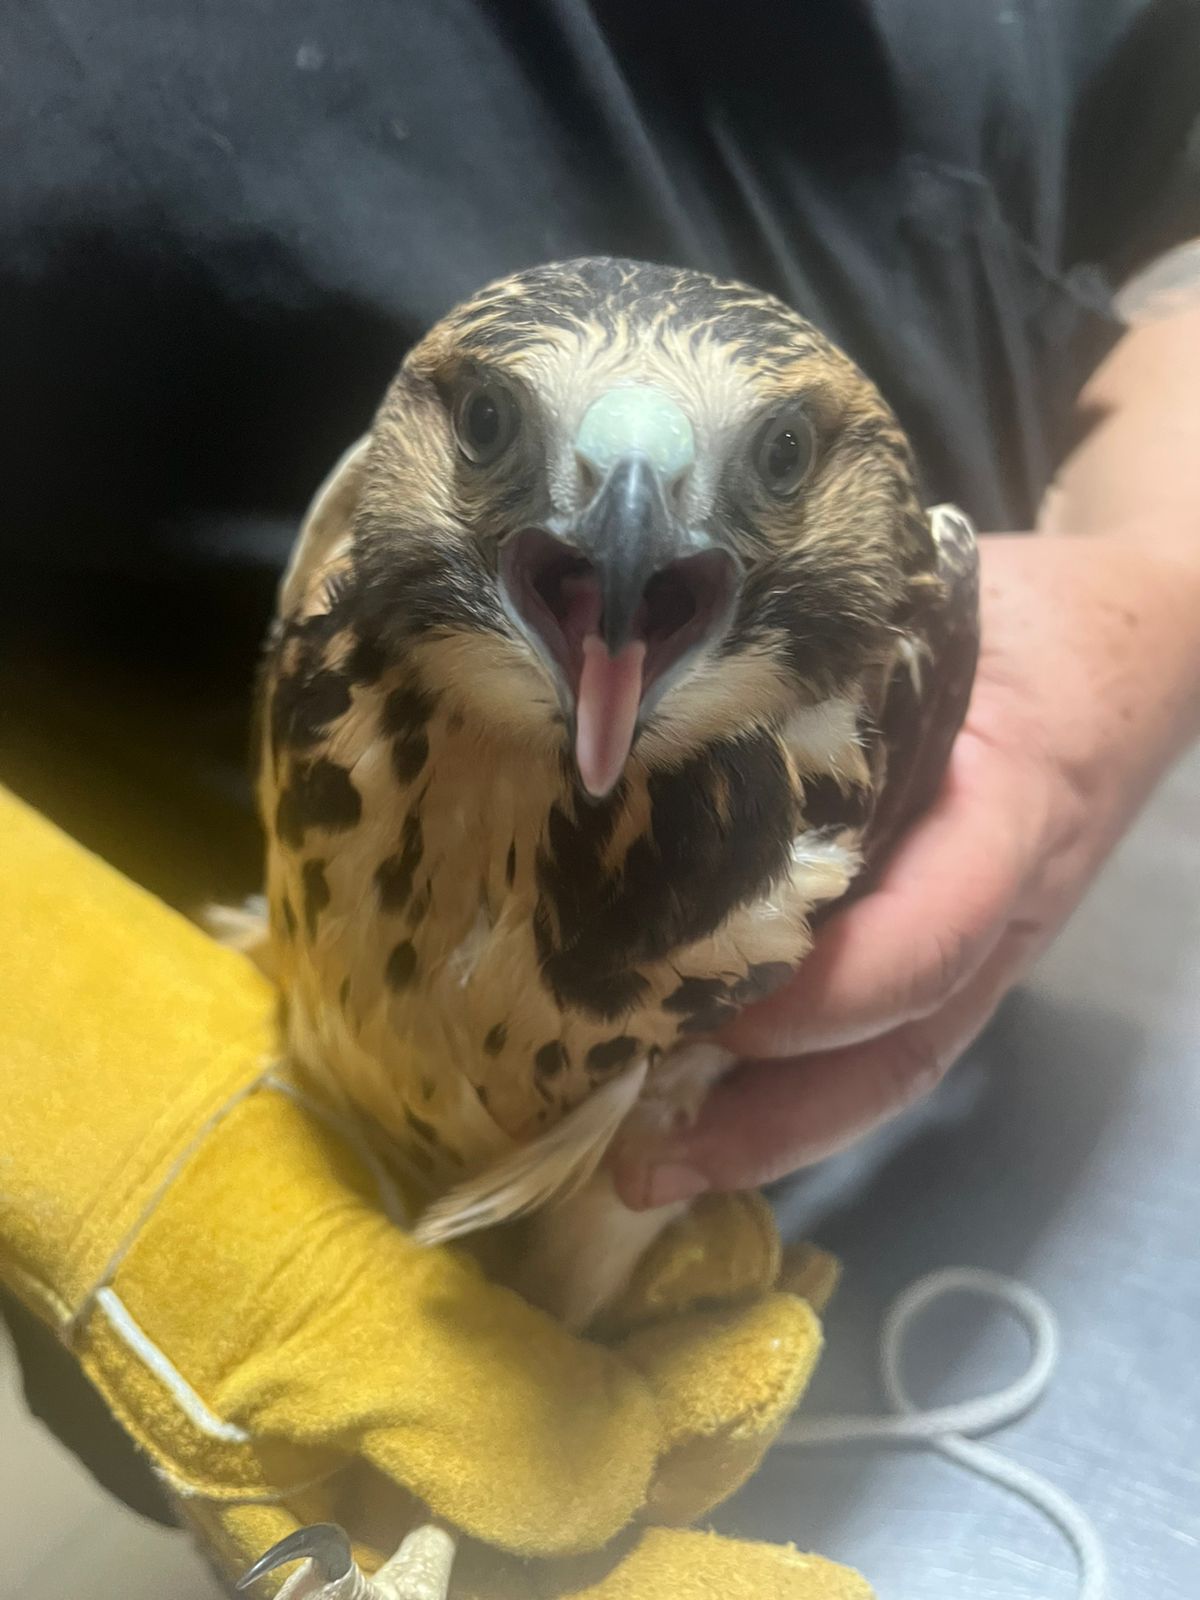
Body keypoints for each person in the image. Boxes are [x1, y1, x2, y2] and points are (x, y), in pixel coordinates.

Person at [2, 0, 1199, 1524]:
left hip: (886, 1165)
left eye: (777, 462)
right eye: (498, 431)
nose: (631, 515)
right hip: (212, 1139)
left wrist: (1163, 582)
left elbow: (1178, 220)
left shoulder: (880, 655)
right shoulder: (354, 551)